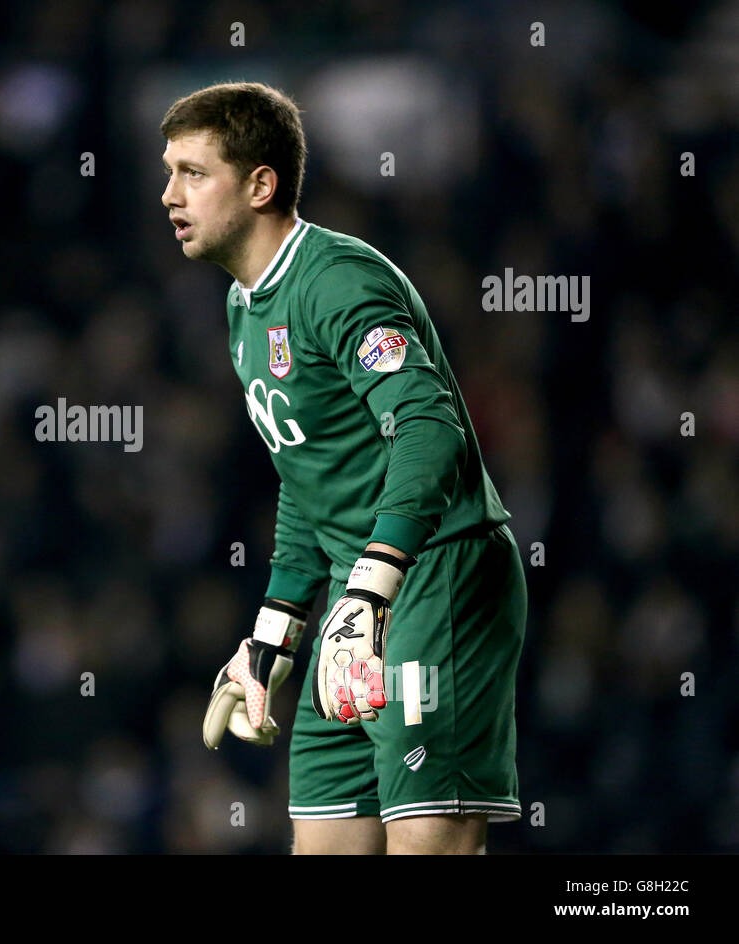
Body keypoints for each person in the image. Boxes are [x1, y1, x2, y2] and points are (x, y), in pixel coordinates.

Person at [162, 81, 527, 854]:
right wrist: (272, 636)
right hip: (352, 603)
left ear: (261, 184)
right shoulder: (243, 307)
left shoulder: (337, 280)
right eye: (170, 172)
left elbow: (429, 431)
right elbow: (307, 479)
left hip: (436, 573)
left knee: (429, 844)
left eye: (193, 172)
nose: (169, 194)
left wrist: (372, 585)